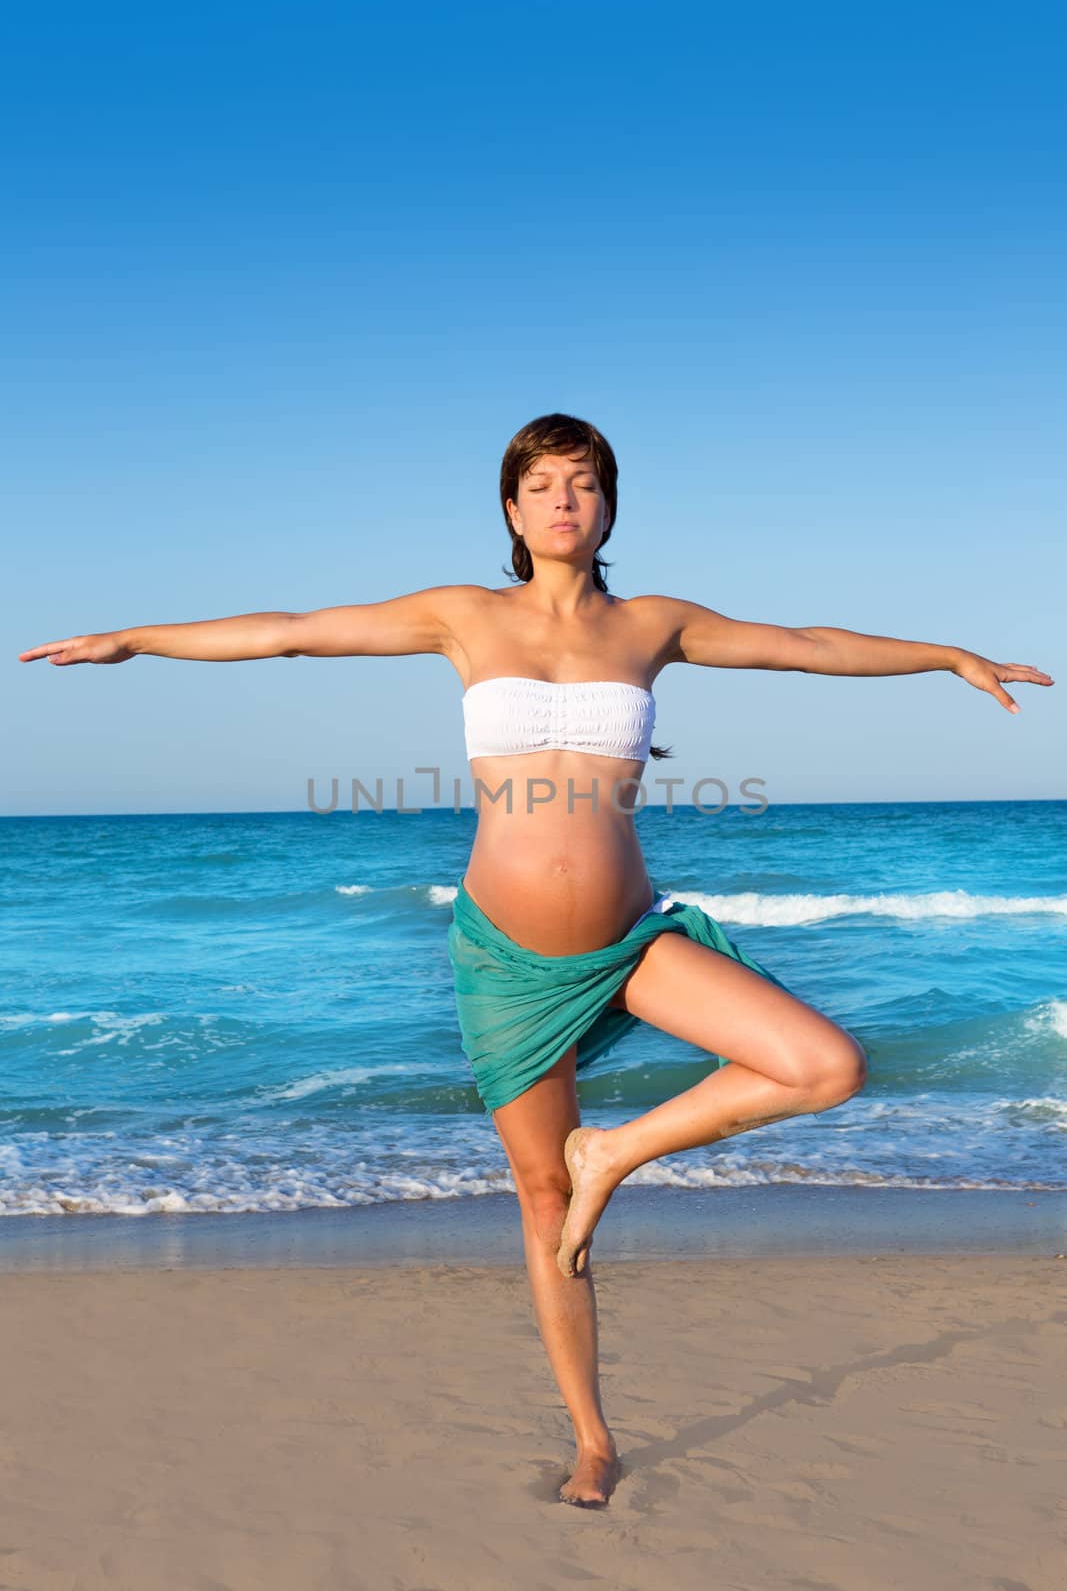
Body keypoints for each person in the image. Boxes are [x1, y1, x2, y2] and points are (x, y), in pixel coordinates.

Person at [18, 411, 1054, 1509]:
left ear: (607, 505)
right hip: (506, 958)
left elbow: (805, 644)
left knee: (821, 1064)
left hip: (627, 939)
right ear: (511, 511)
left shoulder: (653, 623)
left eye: (583, 482)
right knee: (535, 1189)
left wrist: (946, 656)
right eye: (542, 484)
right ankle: (593, 1438)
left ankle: (621, 1153)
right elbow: (290, 629)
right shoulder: (462, 616)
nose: (563, 500)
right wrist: (135, 637)